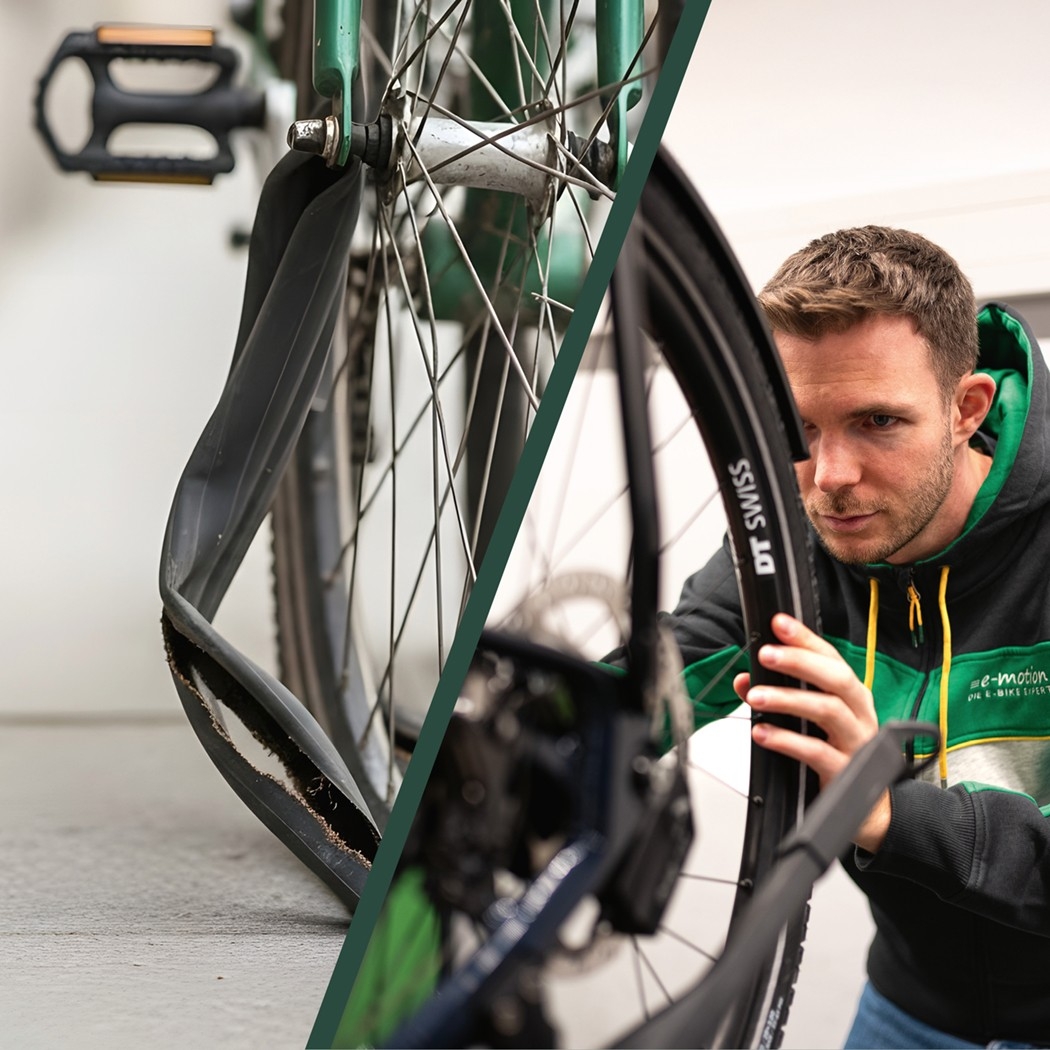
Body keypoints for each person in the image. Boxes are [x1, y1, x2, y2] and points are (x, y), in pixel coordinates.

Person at [665, 225, 1050, 1049]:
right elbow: (671, 662)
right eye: (798, 429)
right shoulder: (801, 537)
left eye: (877, 421)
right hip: (908, 1008)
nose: (831, 476)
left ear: (965, 409)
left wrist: (887, 811)